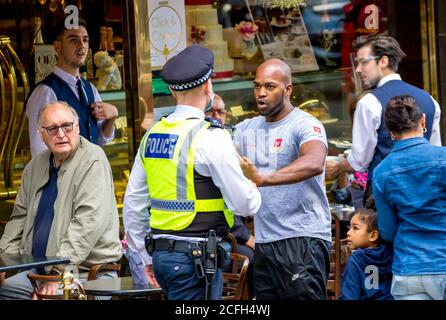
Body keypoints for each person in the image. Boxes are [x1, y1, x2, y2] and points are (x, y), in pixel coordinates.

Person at [122, 45, 261, 300]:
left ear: (173, 90)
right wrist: (252, 182)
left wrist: (144, 256)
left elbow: (132, 205)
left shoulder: (152, 135)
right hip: (195, 260)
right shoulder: (210, 137)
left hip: (163, 256)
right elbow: (244, 204)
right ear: (209, 86)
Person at [0, 101, 121, 299]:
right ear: (41, 134)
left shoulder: (93, 159)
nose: (61, 134)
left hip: (86, 274)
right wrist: (4, 263)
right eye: (52, 128)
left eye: (67, 125)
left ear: (77, 126)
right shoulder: (35, 166)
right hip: (37, 273)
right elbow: (19, 219)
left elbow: (87, 222)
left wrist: (59, 273)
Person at [234, 58, 331, 300]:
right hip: (264, 241)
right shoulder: (245, 129)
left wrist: (262, 179)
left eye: (270, 86)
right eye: (257, 86)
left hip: (302, 238)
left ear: (287, 90)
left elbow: (314, 162)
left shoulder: (305, 124)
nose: (261, 93)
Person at [325, 34, 441, 202]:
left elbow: (360, 161)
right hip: (424, 190)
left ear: (383, 61)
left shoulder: (368, 102)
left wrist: (340, 163)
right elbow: (434, 148)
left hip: (384, 192)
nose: (358, 69)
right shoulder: (429, 100)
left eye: (364, 62)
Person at [373, 95, 446, 300]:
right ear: (423, 121)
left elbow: (387, 231)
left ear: (390, 132)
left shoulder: (381, 172)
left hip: (408, 269)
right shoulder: (443, 158)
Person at [26, 16, 118, 157]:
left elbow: (98, 139)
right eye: (73, 40)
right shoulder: (46, 92)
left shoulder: (90, 89)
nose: (81, 46)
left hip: (91, 176)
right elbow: (40, 154)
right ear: (57, 47)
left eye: (85, 40)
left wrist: (112, 117)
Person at [205, 94, 255, 298]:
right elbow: (227, 201)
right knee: (255, 257)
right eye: (211, 110)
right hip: (216, 237)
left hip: (225, 233)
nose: (216, 116)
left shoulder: (225, 138)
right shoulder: (211, 141)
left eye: (221, 111)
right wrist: (246, 236)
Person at [339, 208, 393, 300]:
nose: (348, 233)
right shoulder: (390, 253)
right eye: (349, 228)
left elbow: (350, 295)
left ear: (373, 236)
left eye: (355, 228)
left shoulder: (356, 259)